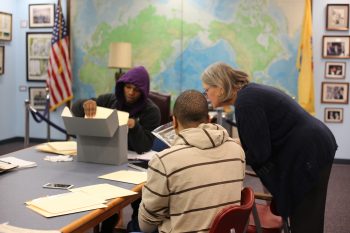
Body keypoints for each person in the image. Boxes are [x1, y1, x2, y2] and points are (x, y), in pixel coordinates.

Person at [201, 62, 337, 233]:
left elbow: (260, 154)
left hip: (310, 152)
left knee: (306, 220)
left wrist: (231, 152)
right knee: (308, 215)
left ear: (220, 87)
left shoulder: (246, 102)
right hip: (312, 145)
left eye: (206, 89)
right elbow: (263, 137)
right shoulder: (249, 94)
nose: (206, 95)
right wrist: (240, 144)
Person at [138, 90, 245, 233]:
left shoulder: (164, 161)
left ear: (174, 121)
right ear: (208, 119)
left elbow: (145, 225)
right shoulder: (236, 151)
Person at [71, 66, 161, 233]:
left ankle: (132, 224)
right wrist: (85, 104)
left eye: (136, 90)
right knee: (102, 199)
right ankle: (109, 220)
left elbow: (144, 146)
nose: (131, 93)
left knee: (139, 205)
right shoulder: (108, 100)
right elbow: (75, 109)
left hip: (134, 168)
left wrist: (134, 126)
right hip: (106, 160)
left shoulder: (151, 111)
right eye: (128, 87)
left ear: (143, 91)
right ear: (122, 86)